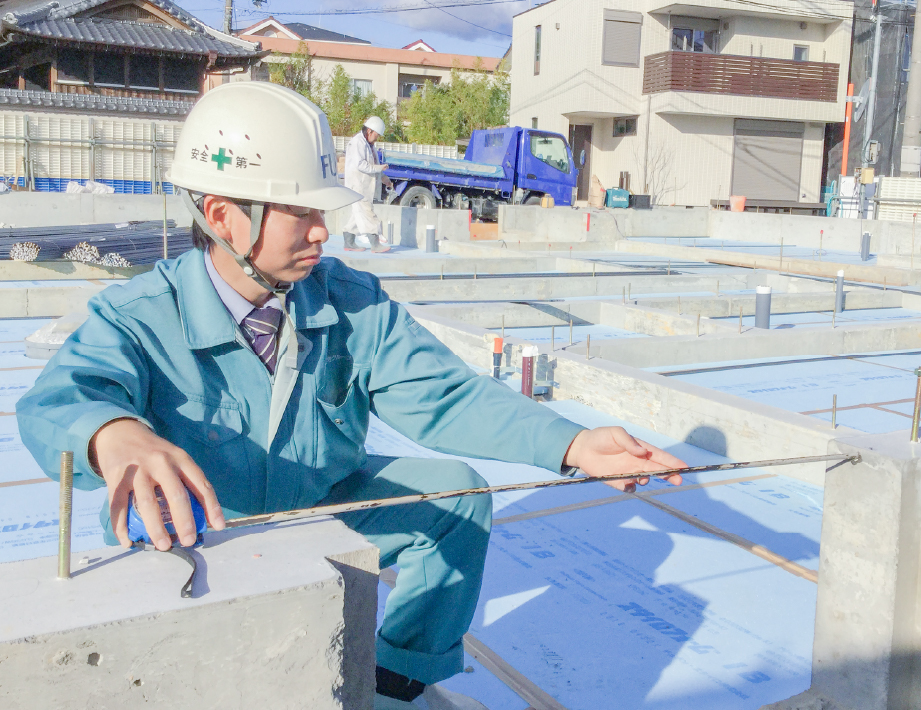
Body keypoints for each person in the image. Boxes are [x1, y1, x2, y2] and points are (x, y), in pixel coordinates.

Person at [15, 83, 686, 710]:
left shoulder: (348, 301)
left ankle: (393, 680)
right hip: (196, 543)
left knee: (455, 498)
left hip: (318, 507)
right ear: (223, 216)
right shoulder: (140, 315)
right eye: (301, 211)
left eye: (322, 211)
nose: (321, 232)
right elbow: (61, 396)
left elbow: (445, 396)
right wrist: (114, 434)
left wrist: (569, 443)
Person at [343, 115, 393, 253]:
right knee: (368, 214)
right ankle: (375, 244)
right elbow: (361, 165)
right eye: (377, 134)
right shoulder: (357, 142)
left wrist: (384, 178)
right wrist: (379, 168)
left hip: (363, 186)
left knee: (357, 216)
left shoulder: (369, 145)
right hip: (357, 186)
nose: (377, 138)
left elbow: (374, 165)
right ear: (370, 131)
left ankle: (349, 242)